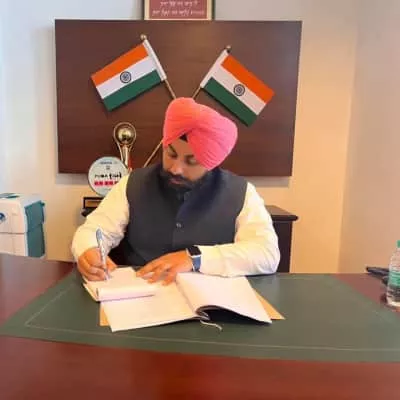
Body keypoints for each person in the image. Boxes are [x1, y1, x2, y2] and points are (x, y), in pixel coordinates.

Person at [72, 97, 280, 285]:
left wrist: (195, 258)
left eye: (191, 161)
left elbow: (267, 253)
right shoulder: (133, 184)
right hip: (142, 296)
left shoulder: (241, 193)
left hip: (211, 305)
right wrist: (88, 249)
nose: (176, 169)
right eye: (171, 154)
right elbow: (94, 230)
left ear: (211, 163)